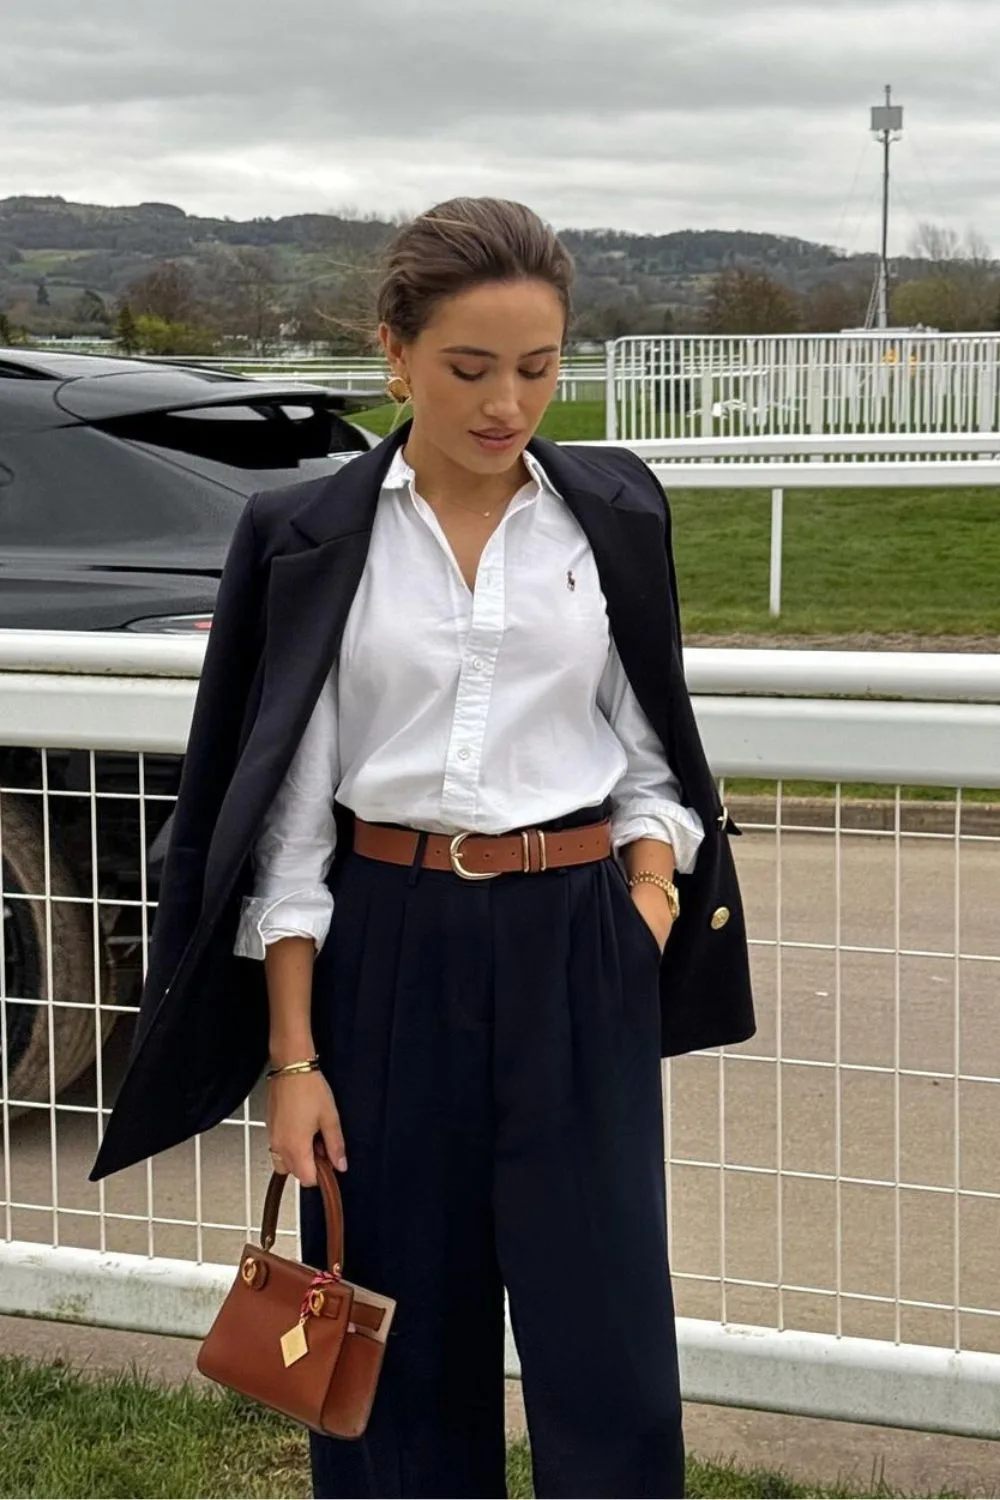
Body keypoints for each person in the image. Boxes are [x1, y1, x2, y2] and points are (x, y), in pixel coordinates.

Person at [89, 197, 755, 1499]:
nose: (507, 402)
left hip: (579, 946)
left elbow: (654, 747)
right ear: (394, 354)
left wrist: (645, 900)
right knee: (399, 1352)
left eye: (538, 367)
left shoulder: (608, 513)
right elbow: (284, 815)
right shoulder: (309, 535)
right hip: (384, 949)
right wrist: (294, 1059)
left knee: (609, 1344)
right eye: (468, 368)